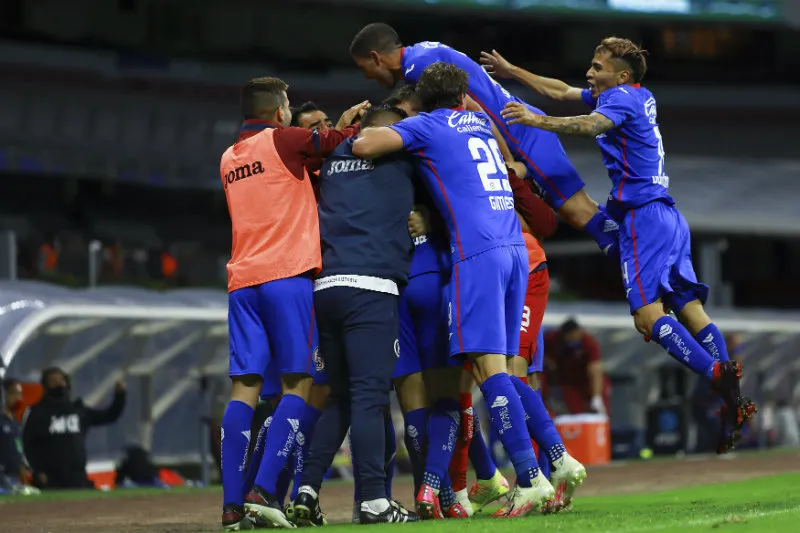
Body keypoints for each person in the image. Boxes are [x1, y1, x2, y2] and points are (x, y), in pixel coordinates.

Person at [497, 37, 757, 453]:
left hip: (642, 219)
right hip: (666, 214)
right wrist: (515, 72)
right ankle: (732, 397)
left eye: (597, 67)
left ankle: (715, 375)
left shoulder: (617, 100)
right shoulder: (637, 94)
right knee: (690, 307)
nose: (590, 72)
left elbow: (588, 125)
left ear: (620, 75)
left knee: (647, 317)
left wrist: (533, 120)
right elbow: (562, 92)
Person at [354, 62, 558, 518]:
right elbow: (508, 162)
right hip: (515, 250)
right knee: (500, 368)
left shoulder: (426, 126)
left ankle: (529, 476)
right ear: (463, 95)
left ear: (424, 101)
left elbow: (367, 143)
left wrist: (355, 129)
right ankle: (524, 472)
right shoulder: (479, 121)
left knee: (488, 372)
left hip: (476, 255)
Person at [218, 76, 366, 530]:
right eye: (285, 103)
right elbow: (338, 141)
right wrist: (344, 125)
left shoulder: (228, 158)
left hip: (242, 282)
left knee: (243, 388)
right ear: (279, 109)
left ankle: (231, 504)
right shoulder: (283, 140)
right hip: (287, 277)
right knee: (298, 385)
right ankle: (264, 491)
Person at [349, 23, 620, 259]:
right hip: (518, 127)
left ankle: (639, 260)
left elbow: (473, 109)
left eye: (364, 68)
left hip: (520, 132)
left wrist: (507, 160)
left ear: (375, 57)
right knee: (584, 211)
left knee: (578, 212)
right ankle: (634, 247)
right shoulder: (422, 53)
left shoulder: (418, 68)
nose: (366, 77)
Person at [291, 104, 420, 525]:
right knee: (368, 397)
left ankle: (306, 491)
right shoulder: (401, 157)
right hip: (371, 287)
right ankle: (374, 501)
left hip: (327, 287)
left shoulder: (333, 161)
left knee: (340, 398)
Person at [22, 367, 126, 490]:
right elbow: (28, 445)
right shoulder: (37, 413)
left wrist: (120, 396)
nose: (59, 384)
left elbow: (109, 416)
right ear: (45, 386)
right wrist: (38, 471)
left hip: (78, 477)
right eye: (53, 381)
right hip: (51, 479)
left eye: (61, 380)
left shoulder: (78, 410)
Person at [542, 318, 609, 417]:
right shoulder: (551, 339)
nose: (572, 341)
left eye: (574, 338)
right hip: (568, 381)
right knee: (575, 413)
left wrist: (596, 397)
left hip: (586, 380)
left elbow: (595, 369)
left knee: (600, 411)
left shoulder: (589, 342)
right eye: (569, 338)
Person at [1, 378, 28, 492]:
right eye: (14, 393)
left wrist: (25, 481)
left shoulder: (15, 422)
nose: (18, 398)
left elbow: (18, 450)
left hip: (14, 478)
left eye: (20, 393)